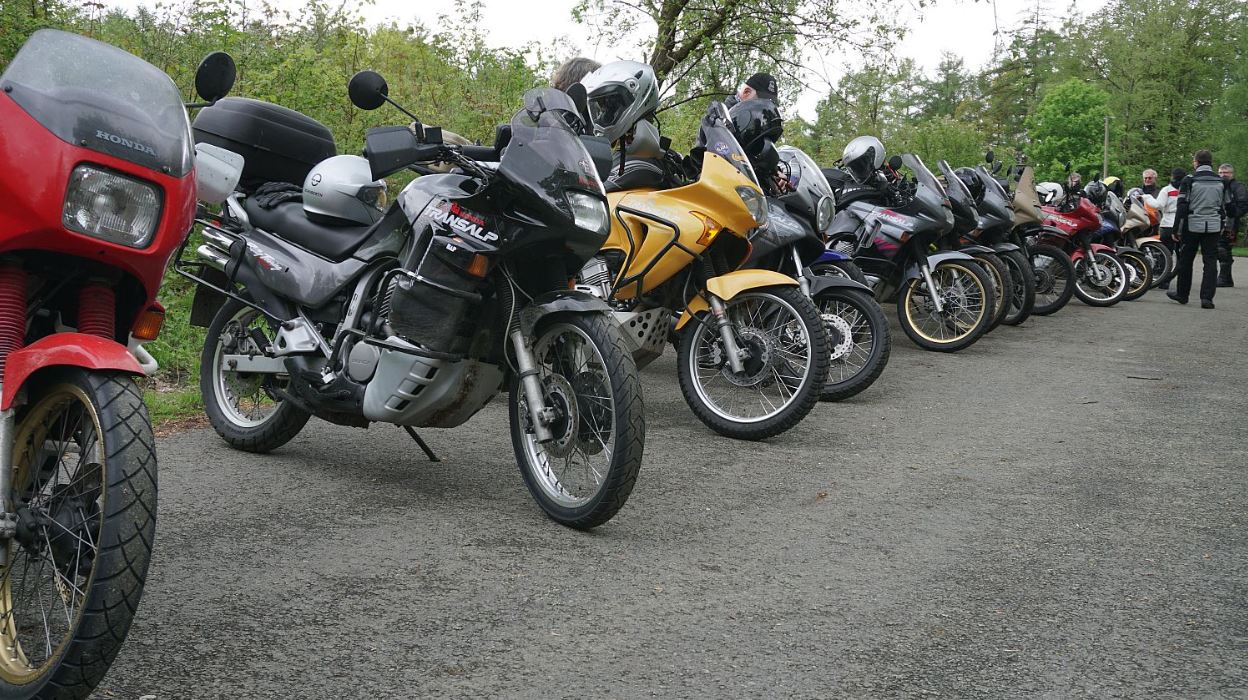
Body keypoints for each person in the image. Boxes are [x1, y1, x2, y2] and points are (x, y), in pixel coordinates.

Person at [580, 60, 666, 192]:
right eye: (601, 107)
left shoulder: (642, 161)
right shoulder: (619, 156)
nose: (604, 114)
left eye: (610, 105)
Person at [1169, 150, 1232, 308]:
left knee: (1186, 260)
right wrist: (1227, 225)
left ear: (1196, 162)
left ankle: (1182, 295)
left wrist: (1176, 229)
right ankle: (1207, 299)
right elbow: (1229, 206)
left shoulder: (1189, 180)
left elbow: (1182, 206)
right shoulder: (1222, 181)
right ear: (1211, 163)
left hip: (1192, 225)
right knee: (1210, 261)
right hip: (1213, 226)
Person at [1142, 167, 1183, 289]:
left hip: (1168, 223)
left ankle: (1164, 280)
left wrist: (1146, 197)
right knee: (1181, 255)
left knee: (1165, 253)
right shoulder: (1187, 188)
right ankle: (1179, 280)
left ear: (1172, 177)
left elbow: (1158, 205)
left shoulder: (1167, 190)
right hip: (1182, 223)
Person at [1216, 163, 1248, 287]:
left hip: (1231, 223)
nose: (1223, 175)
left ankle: (1224, 278)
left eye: (1226, 173)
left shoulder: (1238, 187)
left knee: (1223, 248)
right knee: (1219, 248)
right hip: (1217, 221)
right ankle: (1226, 278)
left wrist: (1232, 215)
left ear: (1232, 174)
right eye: (1220, 172)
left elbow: (1243, 205)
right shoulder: (1217, 185)